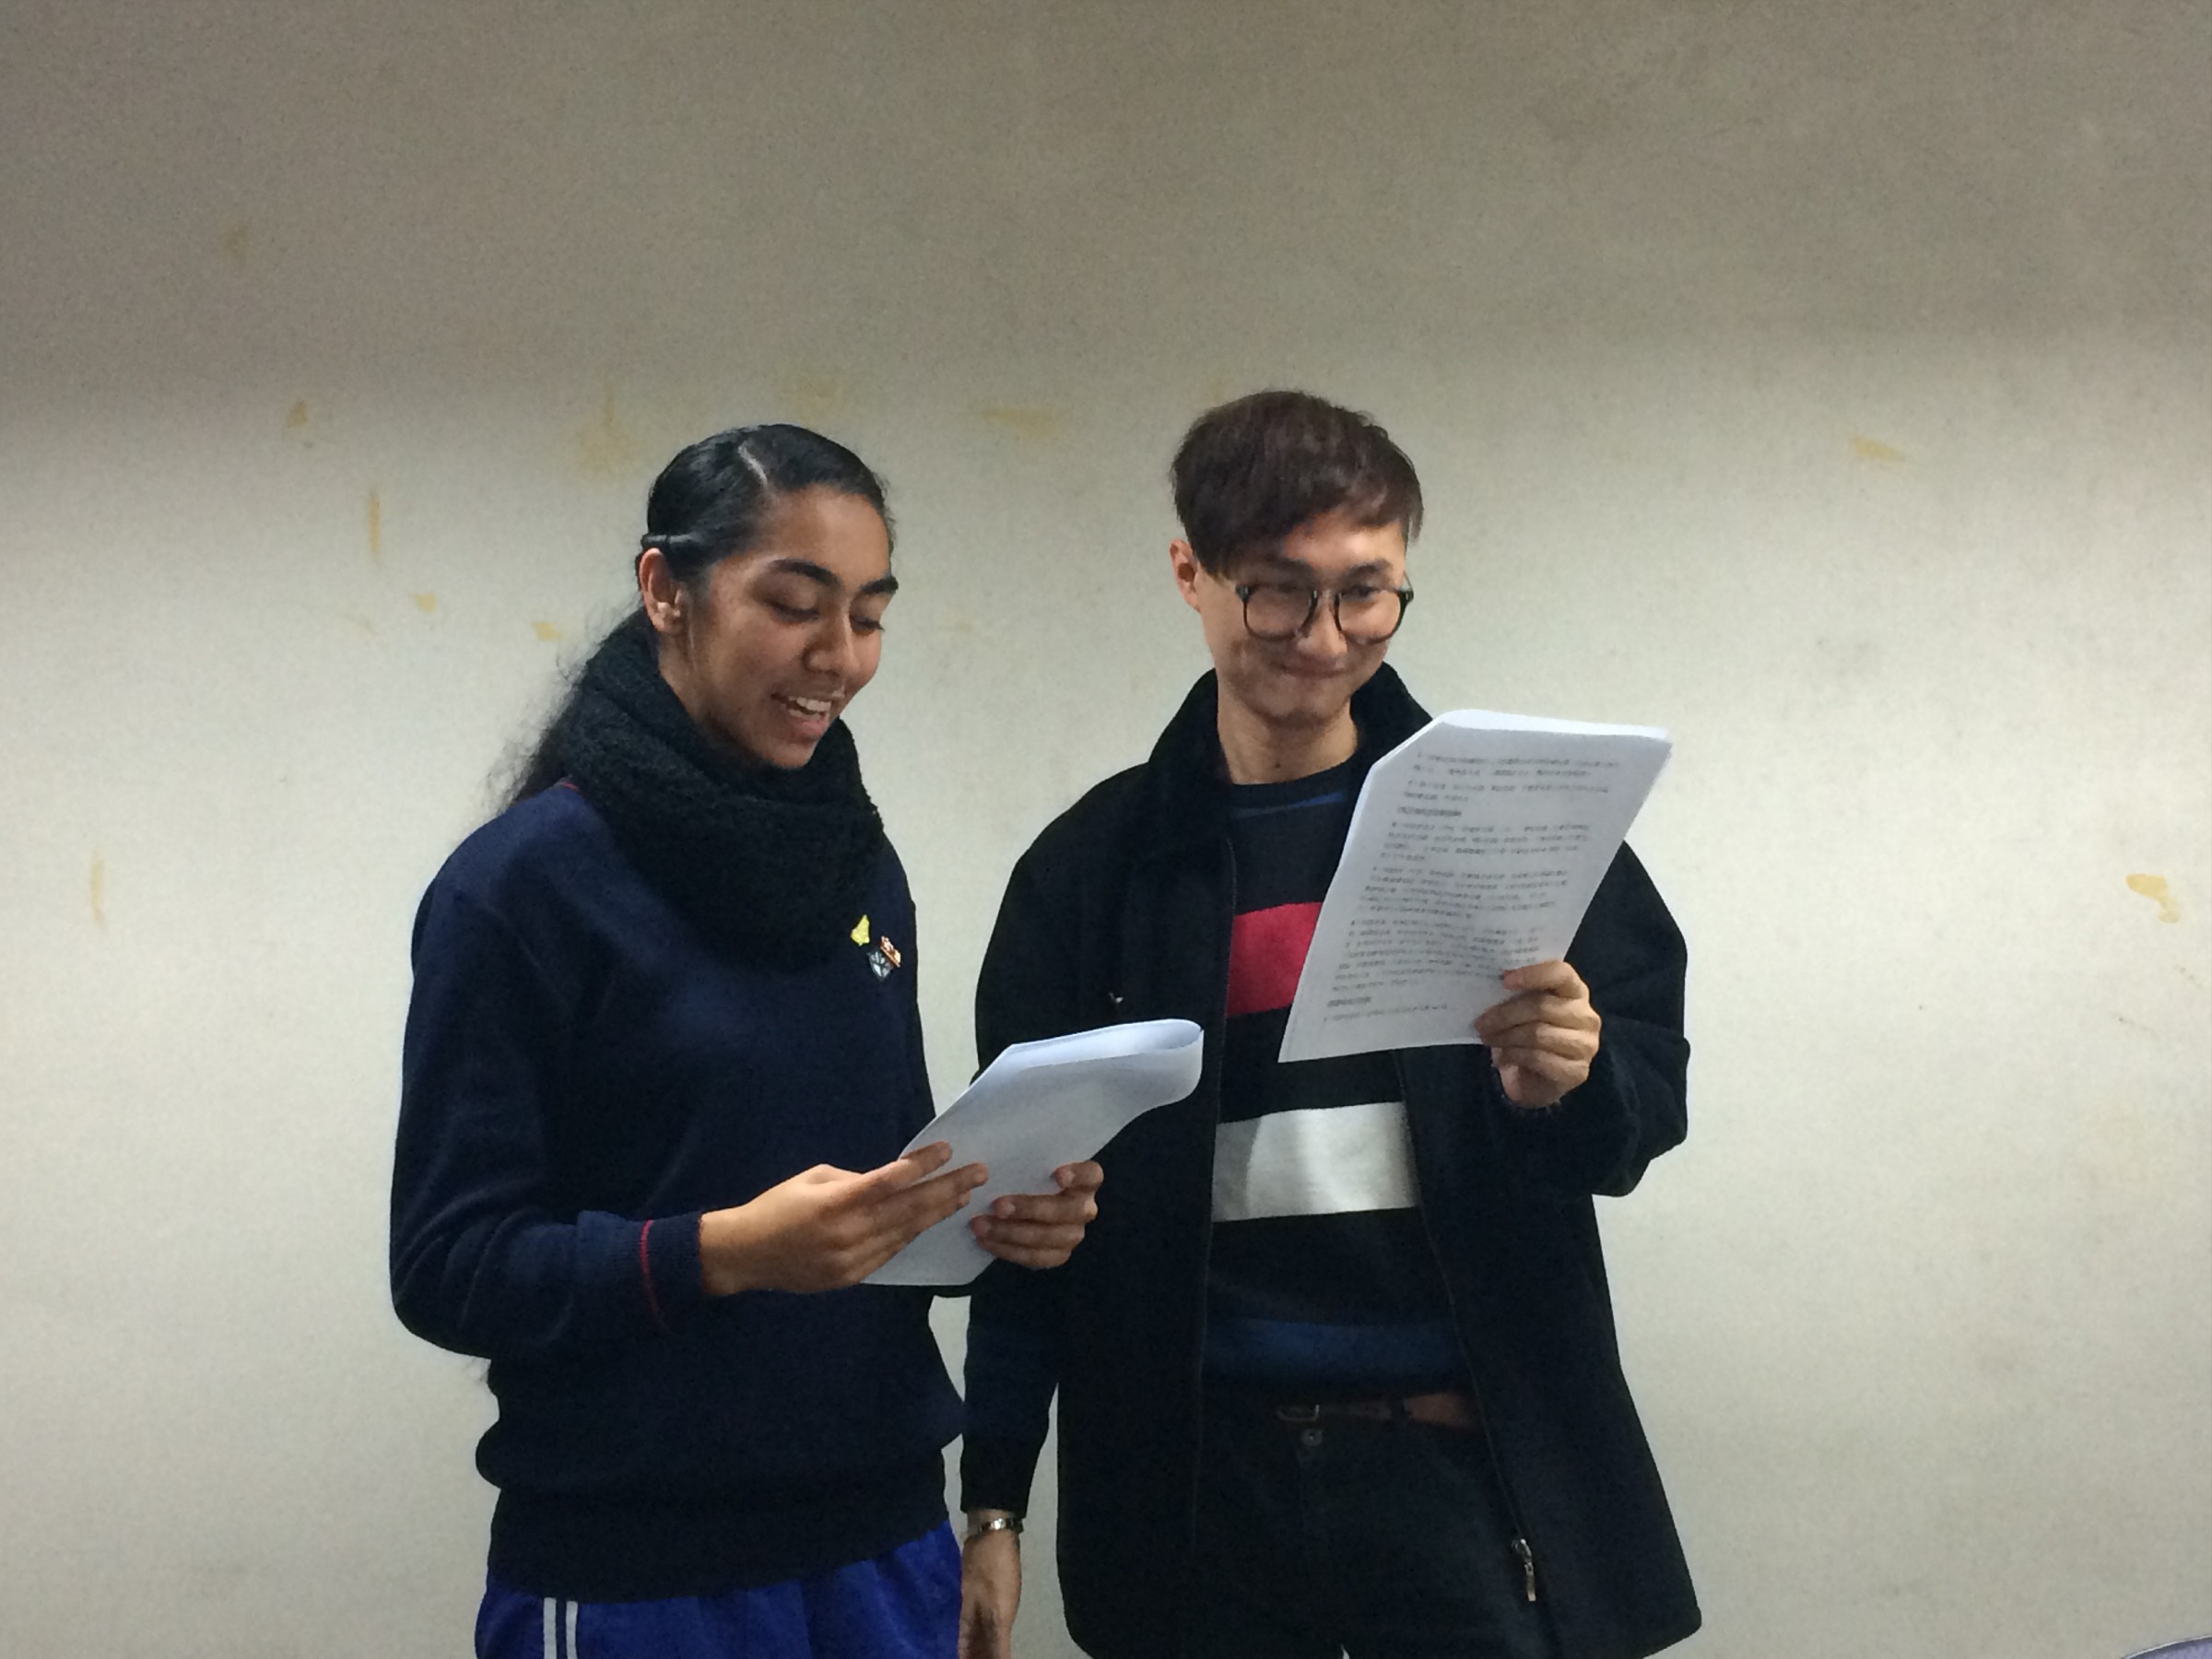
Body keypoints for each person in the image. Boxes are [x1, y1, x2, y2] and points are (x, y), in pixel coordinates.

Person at [956, 391, 1698, 1659]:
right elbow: (1023, 1216)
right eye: (1279, 592)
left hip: (1467, 1475)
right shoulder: (1092, 871)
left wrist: (1573, 1081)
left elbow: (1642, 1111)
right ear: (1191, 573)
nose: (1324, 637)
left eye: (1367, 593)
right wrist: (995, 1498)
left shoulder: (1504, 819)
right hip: (1197, 1493)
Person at [390, 424, 1102, 1659]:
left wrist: (993, 1217)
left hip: (883, 1537)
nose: (841, 657)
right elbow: (450, 1264)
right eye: (795, 605)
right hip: (641, 1572)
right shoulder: (521, 887)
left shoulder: (856, 862)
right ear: (666, 589)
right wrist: (722, 1254)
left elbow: (869, 1187)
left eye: (869, 616)